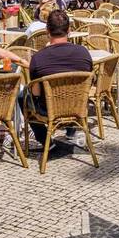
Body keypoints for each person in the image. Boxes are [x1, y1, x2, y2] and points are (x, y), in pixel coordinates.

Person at [24, 9, 93, 149]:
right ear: (69, 30)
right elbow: (90, 82)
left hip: (49, 109)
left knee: (21, 96)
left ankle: (45, 140)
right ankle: (71, 131)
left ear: (47, 30)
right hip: (77, 106)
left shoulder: (38, 58)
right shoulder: (84, 53)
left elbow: (36, 94)